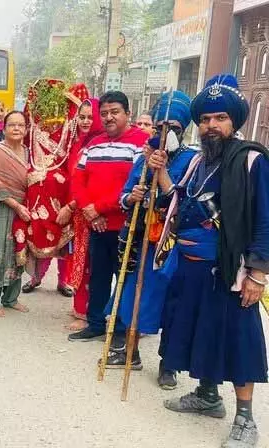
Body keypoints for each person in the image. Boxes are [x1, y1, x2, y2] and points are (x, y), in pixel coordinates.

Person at [157, 74, 269, 448]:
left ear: (233, 122)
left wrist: (257, 274)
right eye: (205, 118)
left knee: (237, 340)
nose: (211, 125)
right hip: (190, 265)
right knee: (200, 331)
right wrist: (157, 172)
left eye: (219, 117)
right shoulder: (196, 162)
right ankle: (207, 396)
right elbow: (177, 201)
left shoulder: (251, 160)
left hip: (229, 269)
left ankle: (245, 420)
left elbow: (265, 219)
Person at [101, 91, 197, 385]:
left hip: (171, 247)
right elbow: (124, 196)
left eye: (173, 129)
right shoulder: (144, 157)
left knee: (172, 305)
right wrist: (133, 196)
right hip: (141, 239)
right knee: (133, 295)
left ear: (183, 131)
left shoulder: (194, 161)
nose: (164, 134)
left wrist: (163, 173)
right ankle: (130, 353)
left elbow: (186, 203)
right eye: (160, 127)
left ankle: (169, 365)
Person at [68, 91, 149, 341]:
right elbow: (77, 180)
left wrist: (100, 208)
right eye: (104, 113)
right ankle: (95, 324)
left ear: (128, 114)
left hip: (126, 226)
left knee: (124, 279)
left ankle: (122, 330)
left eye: (115, 112)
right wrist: (90, 213)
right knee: (99, 277)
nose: (108, 117)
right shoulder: (93, 144)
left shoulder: (141, 142)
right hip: (96, 225)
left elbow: (135, 185)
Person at [17, 81, 85, 296]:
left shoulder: (69, 124)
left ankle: (63, 281)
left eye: (57, 100)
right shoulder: (32, 125)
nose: (52, 105)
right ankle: (36, 277)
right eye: (48, 99)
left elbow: (82, 103)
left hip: (62, 189)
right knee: (36, 230)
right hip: (36, 187)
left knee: (64, 235)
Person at [61, 98, 103, 331]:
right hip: (78, 212)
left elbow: (90, 182)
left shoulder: (97, 144)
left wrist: (72, 206)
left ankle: (87, 314)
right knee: (79, 260)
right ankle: (81, 308)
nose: (86, 121)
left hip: (91, 212)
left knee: (90, 263)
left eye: (90, 117)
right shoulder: (78, 142)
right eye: (82, 116)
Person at [0, 111, 30, 316]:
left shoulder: (29, 152)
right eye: (12, 125)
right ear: (3, 127)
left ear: (26, 129)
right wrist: (16, 205)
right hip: (3, 206)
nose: (16, 129)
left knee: (19, 250)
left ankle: (12, 297)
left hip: (25, 208)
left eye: (21, 125)